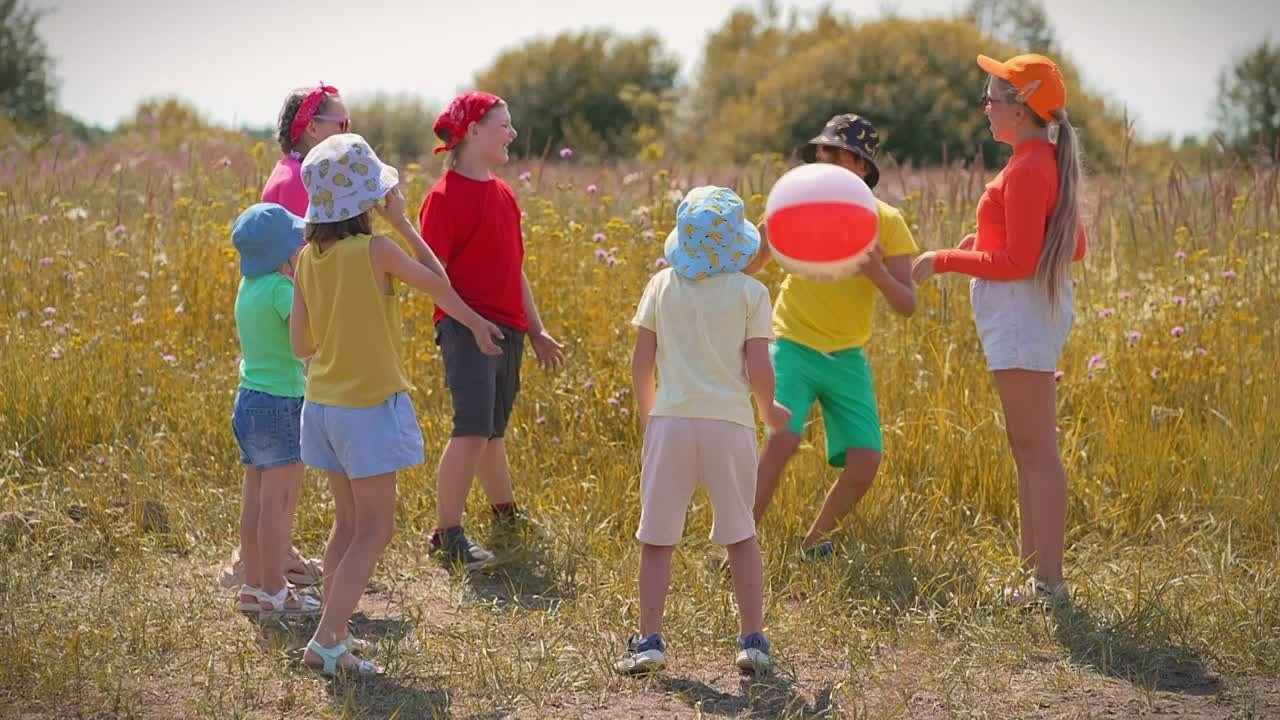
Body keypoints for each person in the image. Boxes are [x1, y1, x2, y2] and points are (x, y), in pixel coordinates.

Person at [291, 133, 503, 675]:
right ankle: (328, 641)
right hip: (365, 408)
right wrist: (404, 224)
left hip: (322, 407)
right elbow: (439, 282)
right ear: (369, 198)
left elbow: (300, 344)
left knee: (346, 524)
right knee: (376, 527)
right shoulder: (377, 250)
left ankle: (332, 633)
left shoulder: (307, 259)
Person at [912, 53, 1087, 605]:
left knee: (1037, 449)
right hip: (1023, 313)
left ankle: (1050, 583)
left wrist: (944, 259)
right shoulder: (1039, 161)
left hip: (1020, 315)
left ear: (1021, 108)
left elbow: (1019, 261)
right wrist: (982, 244)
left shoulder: (1031, 167)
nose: (985, 108)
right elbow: (1070, 244)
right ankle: (1036, 577)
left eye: (990, 99)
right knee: (1027, 446)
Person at [615, 186, 790, 677]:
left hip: (670, 422)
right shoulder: (751, 293)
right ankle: (752, 640)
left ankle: (649, 640)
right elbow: (759, 367)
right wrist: (768, 409)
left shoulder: (661, 285)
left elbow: (641, 364)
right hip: (729, 424)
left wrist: (650, 416)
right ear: (739, 244)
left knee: (657, 537)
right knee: (740, 533)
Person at [752, 114, 918, 557]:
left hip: (846, 356)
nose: (824, 161)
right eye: (820, 153)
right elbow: (752, 266)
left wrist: (877, 272)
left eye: (837, 154)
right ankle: (738, 541)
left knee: (866, 459)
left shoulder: (888, 221)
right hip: (792, 342)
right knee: (782, 438)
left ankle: (816, 543)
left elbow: (907, 303)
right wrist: (763, 238)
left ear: (862, 167)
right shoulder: (798, 205)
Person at [418, 92, 564, 569]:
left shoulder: (503, 193)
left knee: (492, 431)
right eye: (504, 124)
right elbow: (434, 280)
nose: (513, 133)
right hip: (466, 327)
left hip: (507, 328)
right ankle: (446, 533)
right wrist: (474, 323)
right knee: (473, 429)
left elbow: (514, 268)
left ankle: (505, 515)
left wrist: (537, 329)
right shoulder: (442, 199)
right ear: (473, 131)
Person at [229, 203, 320, 618]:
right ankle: (275, 590)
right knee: (279, 503)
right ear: (283, 251)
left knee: (255, 497)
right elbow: (308, 337)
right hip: (281, 403)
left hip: (249, 399)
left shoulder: (248, 287)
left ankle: (253, 587)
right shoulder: (283, 290)